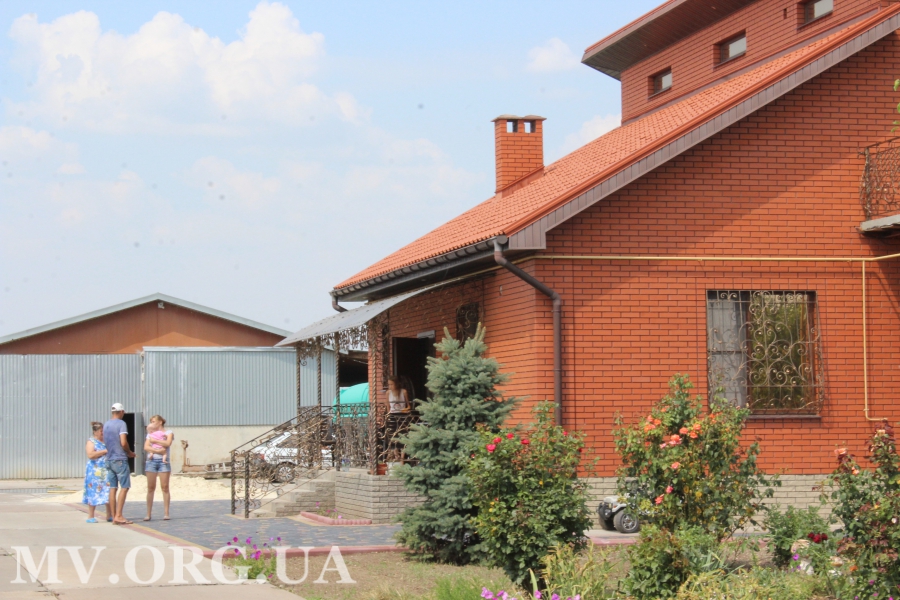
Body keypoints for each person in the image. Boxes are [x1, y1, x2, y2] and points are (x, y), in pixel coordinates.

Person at [103, 403, 135, 525]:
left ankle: (113, 515)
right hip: (119, 458)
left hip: (109, 459)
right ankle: (119, 515)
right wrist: (129, 452)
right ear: (121, 412)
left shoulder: (106, 424)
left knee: (113, 488)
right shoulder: (121, 424)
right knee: (125, 487)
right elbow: (123, 442)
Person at [143, 414, 173, 521]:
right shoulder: (150, 434)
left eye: (153, 421)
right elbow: (146, 447)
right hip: (151, 461)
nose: (152, 423)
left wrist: (155, 441)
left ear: (160, 422)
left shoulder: (168, 432)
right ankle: (148, 513)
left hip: (163, 462)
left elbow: (168, 443)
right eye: (151, 422)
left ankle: (166, 513)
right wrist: (158, 451)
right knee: (150, 488)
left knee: (165, 487)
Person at [83, 422, 110, 523]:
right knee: (93, 491)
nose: (103, 433)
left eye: (104, 431)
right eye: (101, 431)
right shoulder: (91, 442)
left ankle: (109, 515)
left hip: (106, 469)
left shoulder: (107, 441)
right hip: (94, 471)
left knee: (108, 490)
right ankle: (90, 516)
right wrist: (104, 451)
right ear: (95, 432)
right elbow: (90, 455)